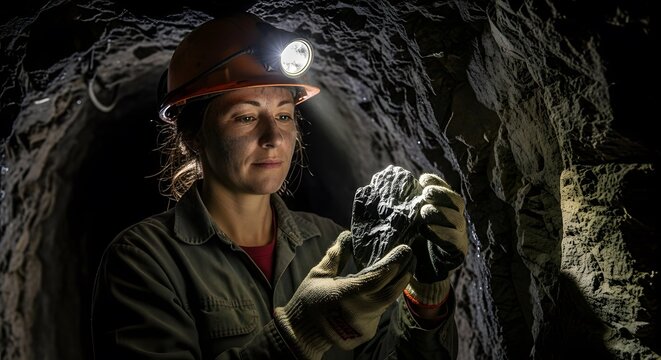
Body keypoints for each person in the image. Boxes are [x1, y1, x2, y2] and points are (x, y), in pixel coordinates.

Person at [91, 11, 469, 360]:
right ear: (193, 135)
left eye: (284, 115)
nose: (273, 137)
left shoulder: (331, 243)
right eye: (245, 117)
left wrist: (426, 295)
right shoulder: (144, 262)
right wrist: (301, 332)